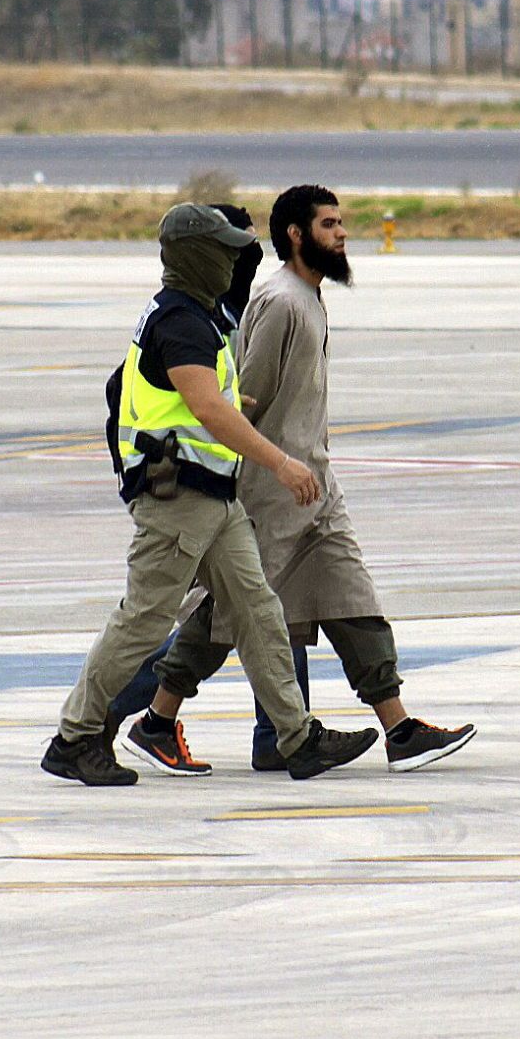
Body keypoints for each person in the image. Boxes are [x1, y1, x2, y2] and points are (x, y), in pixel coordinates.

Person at [117, 185, 476, 778]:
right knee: (224, 618)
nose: (342, 233)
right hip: (271, 492)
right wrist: (269, 469)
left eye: (341, 223)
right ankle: (156, 720)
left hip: (317, 489)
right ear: (296, 234)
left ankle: (400, 730)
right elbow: (242, 401)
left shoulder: (308, 298)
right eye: (329, 224)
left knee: (352, 599)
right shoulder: (281, 302)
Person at [42, 202, 379, 786]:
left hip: (213, 498)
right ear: (198, 256)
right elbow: (206, 410)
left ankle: (297, 739)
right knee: (144, 622)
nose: (234, 262)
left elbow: (169, 395)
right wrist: (280, 462)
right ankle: (74, 737)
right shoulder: (181, 322)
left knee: (259, 612)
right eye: (223, 251)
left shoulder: (192, 315)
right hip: (177, 500)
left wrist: (224, 406)